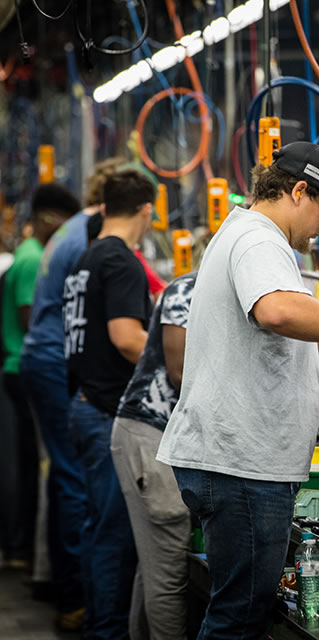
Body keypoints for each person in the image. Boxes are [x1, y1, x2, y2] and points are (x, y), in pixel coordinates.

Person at [157, 142, 319, 639]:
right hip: (240, 465)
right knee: (238, 618)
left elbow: (277, 329)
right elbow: (276, 311)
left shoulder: (246, 234)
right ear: (300, 190)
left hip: (236, 461)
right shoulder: (259, 240)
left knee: (240, 611)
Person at [19, 158, 122, 630]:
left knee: (65, 476)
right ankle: (76, 600)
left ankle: (73, 593)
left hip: (46, 357)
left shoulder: (76, 228)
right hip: (52, 360)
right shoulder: (87, 236)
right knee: (72, 479)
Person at [64, 170, 155, 640]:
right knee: (114, 538)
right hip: (105, 412)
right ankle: (108, 632)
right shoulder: (120, 259)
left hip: (83, 403)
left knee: (97, 529)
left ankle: (99, 626)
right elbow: (126, 339)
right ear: (146, 209)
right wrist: (176, 364)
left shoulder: (87, 256)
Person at [111, 271, 195, 640]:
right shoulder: (189, 289)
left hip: (157, 438)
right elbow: (179, 373)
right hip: (150, 435)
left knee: (153, 565)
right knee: (168, 572)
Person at [0, 184, 77, 572]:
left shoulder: (31, 254)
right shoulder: (33, 259)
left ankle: (26, 551)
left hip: (20, 367)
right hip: (23, 369)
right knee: (27, 468)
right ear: (48, 218)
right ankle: (20, 550)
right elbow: (33, 319)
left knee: (33, 466)